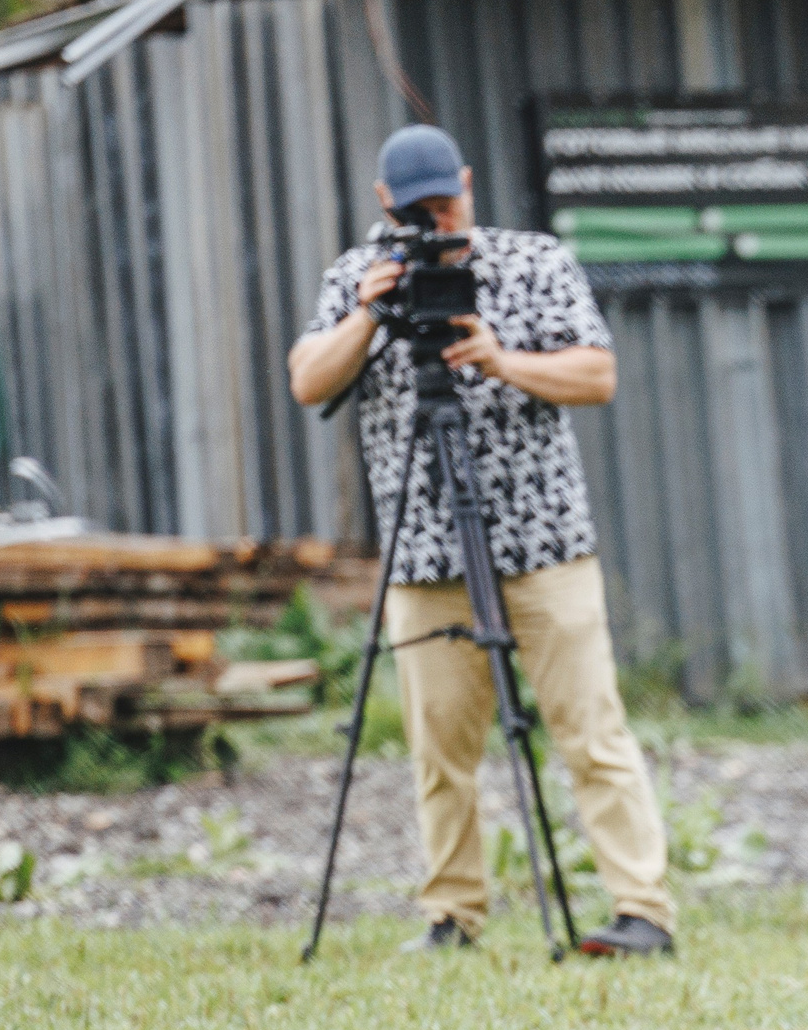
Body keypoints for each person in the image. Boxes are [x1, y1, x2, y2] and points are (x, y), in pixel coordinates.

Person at [288, 125, 675, 957]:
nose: (438, 218)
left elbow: (597, 374)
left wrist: (502, 359)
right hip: (425, 554)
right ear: (386, 200)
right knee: (439, 746)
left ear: (468, 183)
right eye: (420, 206)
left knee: (591, 730)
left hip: (544, 545)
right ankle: (451, 915)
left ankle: (642, 910)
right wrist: (368, 316)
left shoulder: (532, 262)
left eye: (447, 202)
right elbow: (308, 378)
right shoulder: (360, 276)